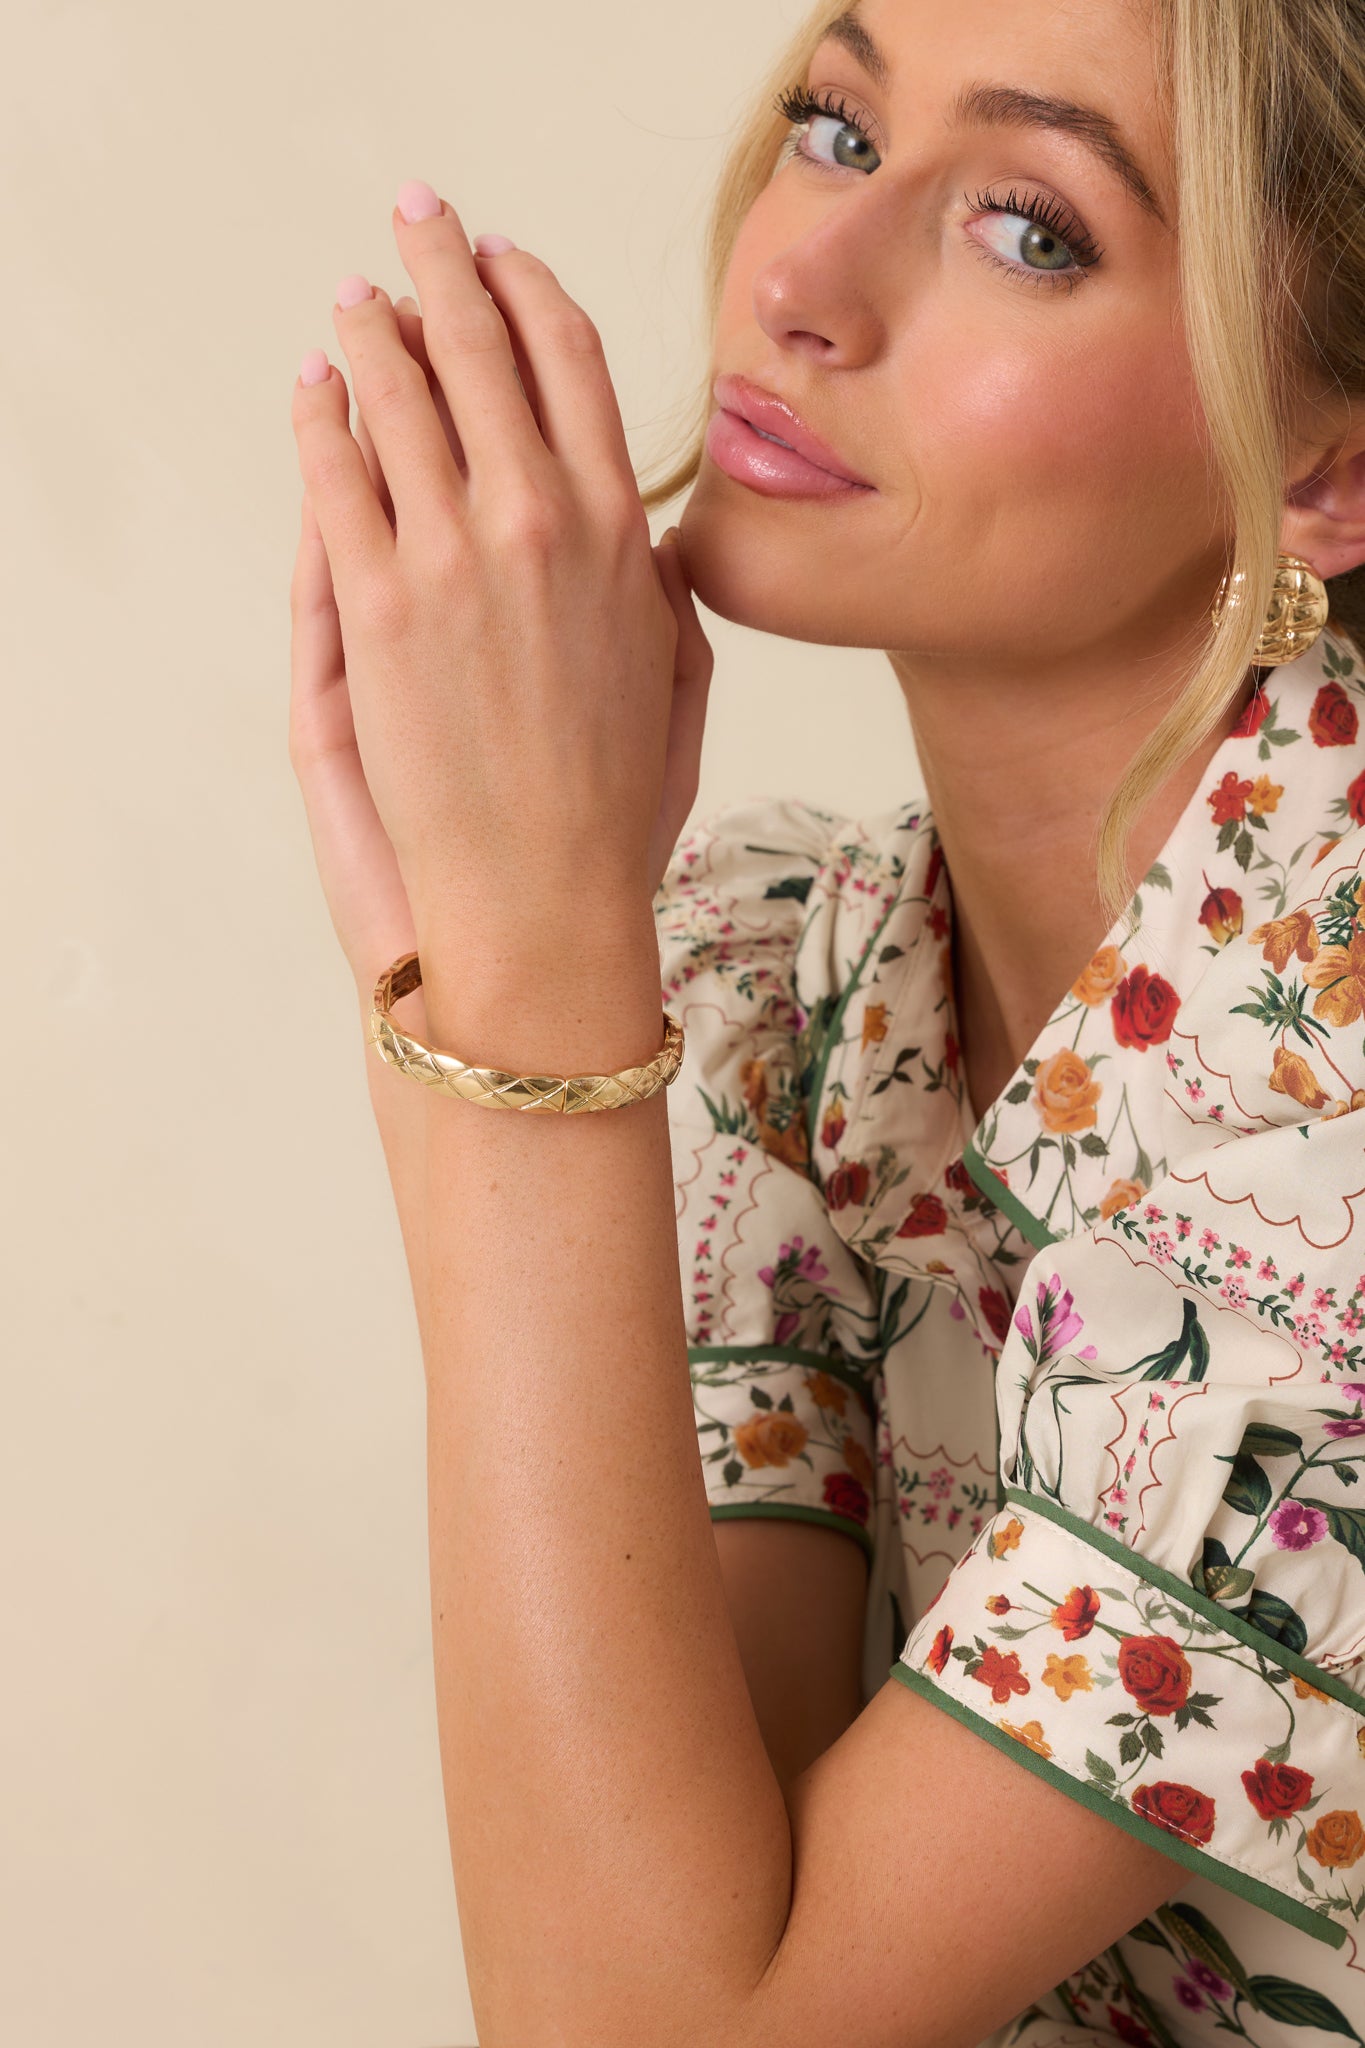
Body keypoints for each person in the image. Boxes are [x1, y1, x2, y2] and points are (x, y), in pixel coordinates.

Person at [287, 0, 1365, 2040]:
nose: (795, 283)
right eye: (841, 129)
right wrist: (496, 966)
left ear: (1330, 467)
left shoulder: (1327, 1164)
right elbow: (671, 1892)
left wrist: (524, 983)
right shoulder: (798, 977)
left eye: (1030, 228)